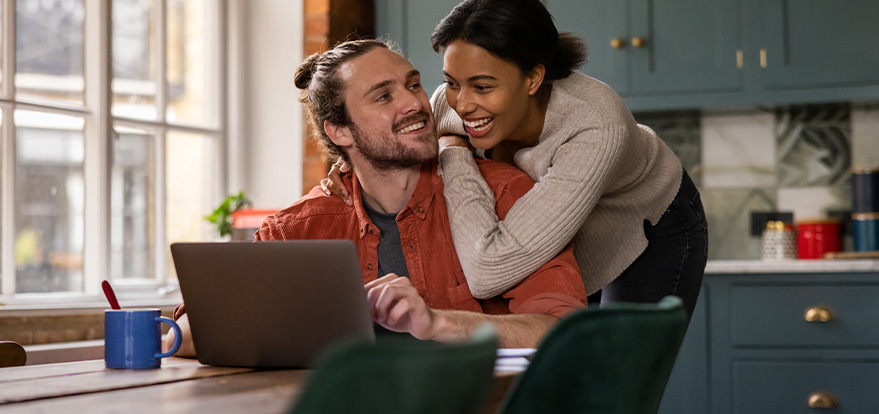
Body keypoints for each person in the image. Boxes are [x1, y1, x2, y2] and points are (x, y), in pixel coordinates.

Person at [165, 38, 587, 355]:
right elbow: (184, 335)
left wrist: (436, 323)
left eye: (414, 84)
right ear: (340, 131)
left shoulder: (506, 192)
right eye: (384, 96)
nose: (417, 104)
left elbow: (565, 329)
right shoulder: (296, 229)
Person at [325, 0, 707, 319]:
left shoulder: (597, 125)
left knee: (620, 377)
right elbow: (385, 140)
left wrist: (453, 149)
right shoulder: (449, 104)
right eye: (452, 83)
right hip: (549, 224)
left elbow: (489, 269)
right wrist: (346, 166)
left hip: (650, 222)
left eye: (483, 86)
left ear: (534, 79)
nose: (463, 104)